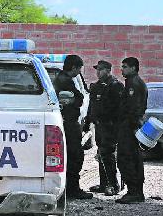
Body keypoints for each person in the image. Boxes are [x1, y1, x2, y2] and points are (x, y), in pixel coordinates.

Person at [52, 55, 93, 200]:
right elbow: (78, 98)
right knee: (75, 156)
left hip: (68, 122)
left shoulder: (61, 79)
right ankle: (72, 189)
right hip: (68, 123)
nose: (79, 71)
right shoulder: (65, 81)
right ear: (74, 67)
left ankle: (69, 187)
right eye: (79, 68)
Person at [84, 60, 125, 196]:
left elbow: (120, 108)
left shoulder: (115, 85)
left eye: (101, 69)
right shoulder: (96, 86)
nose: (98, 72)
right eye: (97, 69)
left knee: (108, 154)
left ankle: (113, 184)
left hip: (110, 125)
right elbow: (92, 105)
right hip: (99, 125)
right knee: (101, 154)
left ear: (108, 70)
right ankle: (103, 184)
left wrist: (117, 125)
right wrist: (87, 121)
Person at [116, 56, 149, 204]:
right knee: (131, 157)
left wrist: (130, 125)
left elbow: (133, 108)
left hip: (130, 126)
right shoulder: (132, 82)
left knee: (127, 157)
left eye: (125, 67)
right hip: (129, 125)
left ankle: (134, 191)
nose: (122, 69)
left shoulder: (134, 84)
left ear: (133, 68)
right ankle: (134, 190)